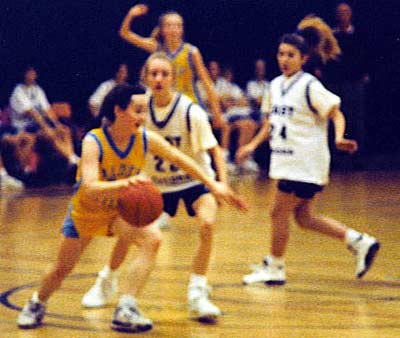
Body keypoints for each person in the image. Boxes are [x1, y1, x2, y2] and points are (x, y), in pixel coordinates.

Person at [17, 84, 246, 333]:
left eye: (144, 111)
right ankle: (36, 302)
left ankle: (126, 306)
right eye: (137, 110)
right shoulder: (94, 141)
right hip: (87, 212)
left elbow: (180, 159)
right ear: (118, 110)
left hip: (116, 213)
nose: (142, 117)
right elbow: (91, 186)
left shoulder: (144, 138)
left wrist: (212, 184)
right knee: (62, 269)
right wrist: (126, 183)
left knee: (153, 238)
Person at [81, 53, 238, 322]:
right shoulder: (138, 109)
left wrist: (220, 183)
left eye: (164, 74)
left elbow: (214, 149)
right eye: (153, 74)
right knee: (129, 232)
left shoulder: (190, 111)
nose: (158, 79)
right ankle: (106, 280)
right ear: (145, 78)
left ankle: (198, 293)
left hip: (193, 179)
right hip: (153, 184)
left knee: (207, 224)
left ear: (173, 79)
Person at [236, 32, 379, 286]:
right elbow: (270, 123)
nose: (285, 59)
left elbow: (336, 114)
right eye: (281, 54)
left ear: (303, 58)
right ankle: (359, 241)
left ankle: (275, 268)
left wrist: (338, 138)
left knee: (277, 213)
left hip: (305, 163)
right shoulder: (275, 85)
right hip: (287, 162)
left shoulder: (309, 85)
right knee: (303, 218)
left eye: (291, 55)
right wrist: (252, 144)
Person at [119, 3, 224, 129]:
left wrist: (217, 113)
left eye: (178, 26)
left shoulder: (191, 52)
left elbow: (207, 83)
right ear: (162, 29)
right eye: (169, 26)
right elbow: (125, 33)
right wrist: (131, 14)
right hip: (164, 104)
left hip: (189, 104)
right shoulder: (157, 48)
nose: (174, 29)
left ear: (182, 29)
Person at [9, 66, 59, 133]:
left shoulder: (38, 89)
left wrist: (58, 125)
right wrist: (46, 128)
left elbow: (47, 109)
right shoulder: (18, 92)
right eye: (30, 73)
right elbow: (30, 113)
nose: (33, 75)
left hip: (37, 124)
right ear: (24, 75)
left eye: (34, 73)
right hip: (22, 127)